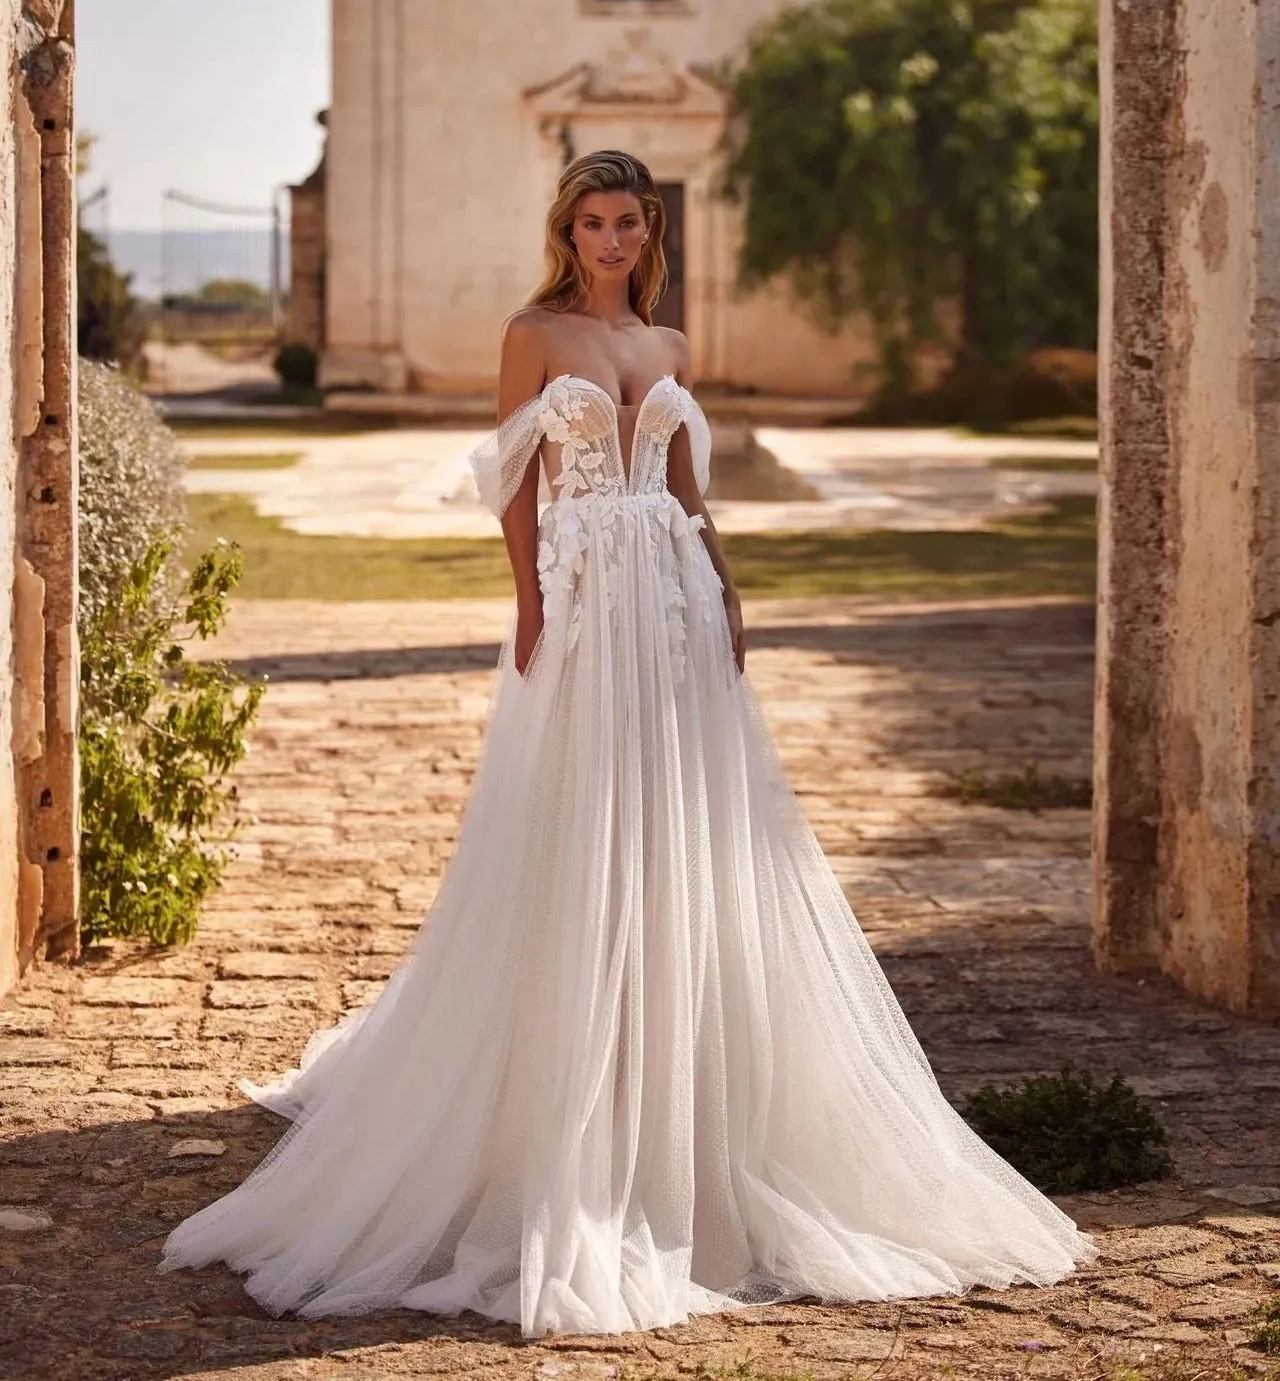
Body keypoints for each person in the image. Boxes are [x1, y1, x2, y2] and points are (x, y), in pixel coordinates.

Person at [161, 148, 1095, 1337]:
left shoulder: (669, 346)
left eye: (626, 222)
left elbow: (690, 489)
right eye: (591, 222)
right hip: (586, 591)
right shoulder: (532, 334)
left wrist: (726, 585)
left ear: (649, 230)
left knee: (682, 817)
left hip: (674, 599)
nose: (609, 239)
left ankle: (679, 1050)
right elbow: (513, 479)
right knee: (581, 811)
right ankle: (570, 1074)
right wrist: (527, 601)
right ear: (568, 232)